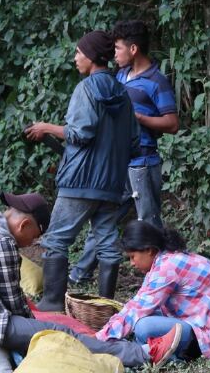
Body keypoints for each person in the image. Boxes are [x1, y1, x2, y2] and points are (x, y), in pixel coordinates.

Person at [0, 192, 153, 366]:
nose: (31, 243)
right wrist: (36, 326)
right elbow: (14, 302)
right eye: (34, 236)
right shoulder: (1, 243)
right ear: (24, 225)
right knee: (60, 333)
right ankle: (140, 354)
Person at [26, 30, 138, 305]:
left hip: (80, 182)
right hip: (112, 184)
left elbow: (81, 133)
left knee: (56, 240)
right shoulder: (122, 92)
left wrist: (46, 128)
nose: (75, 58)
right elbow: (133, 140)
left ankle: (51, 304)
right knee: (108, 244)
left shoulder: (86, 88)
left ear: (90, 56)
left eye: (78, 52)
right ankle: (104, 306)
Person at [70, 19, 179, 284]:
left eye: (117, 48)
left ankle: (160, 281)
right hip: (118, 164)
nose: (113, 54)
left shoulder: (157, 81)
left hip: (143, 162)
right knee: (102, 219)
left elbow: (172, 124)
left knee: (150, 224)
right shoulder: (119, 76)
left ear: (133, 49)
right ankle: (78, 276)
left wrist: (139, 118)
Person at [96, 220, 210, 365]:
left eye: (132, 257)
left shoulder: (167, 267)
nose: (132, 263)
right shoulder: (167, 260)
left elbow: (136, 310)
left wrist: (100, 339)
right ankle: (153, 350)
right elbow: (139, 303)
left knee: (143, 327)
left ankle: (162, 354)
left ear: (149, 250)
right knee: (140, 323)